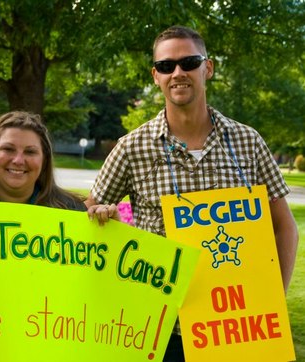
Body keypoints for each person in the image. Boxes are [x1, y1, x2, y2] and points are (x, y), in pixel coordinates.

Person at [86, 25, 298, 361]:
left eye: (189, 62)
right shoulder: (132, 147)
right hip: (159, 327)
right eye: (167, 66)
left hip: (235, 325)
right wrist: (100, 218)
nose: (178, 73)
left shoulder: (248, 141)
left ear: (208, 68)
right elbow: (91, 211)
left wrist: (273, 299)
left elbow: (284, 225)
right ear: (156, 76)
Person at [0, 111, 118, 273]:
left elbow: (99, 278)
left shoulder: (71, 212)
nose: (18, 160)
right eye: (8, 149)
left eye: (30, 152)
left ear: (44, 159)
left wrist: (111, 232)